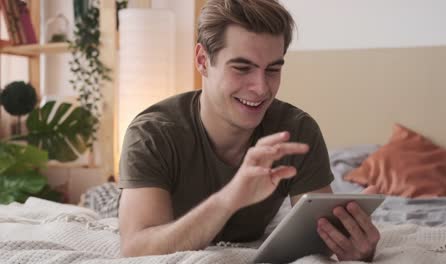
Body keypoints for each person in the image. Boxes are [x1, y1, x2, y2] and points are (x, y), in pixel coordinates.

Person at [118, 0, 380, 261]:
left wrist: (356, 249)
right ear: (202, 60)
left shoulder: (297, 131)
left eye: (273, 70)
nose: (261, 88)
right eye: (242, 68)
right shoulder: (152, 134)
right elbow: (136, 250)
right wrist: (231, 197)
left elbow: (322, 236)